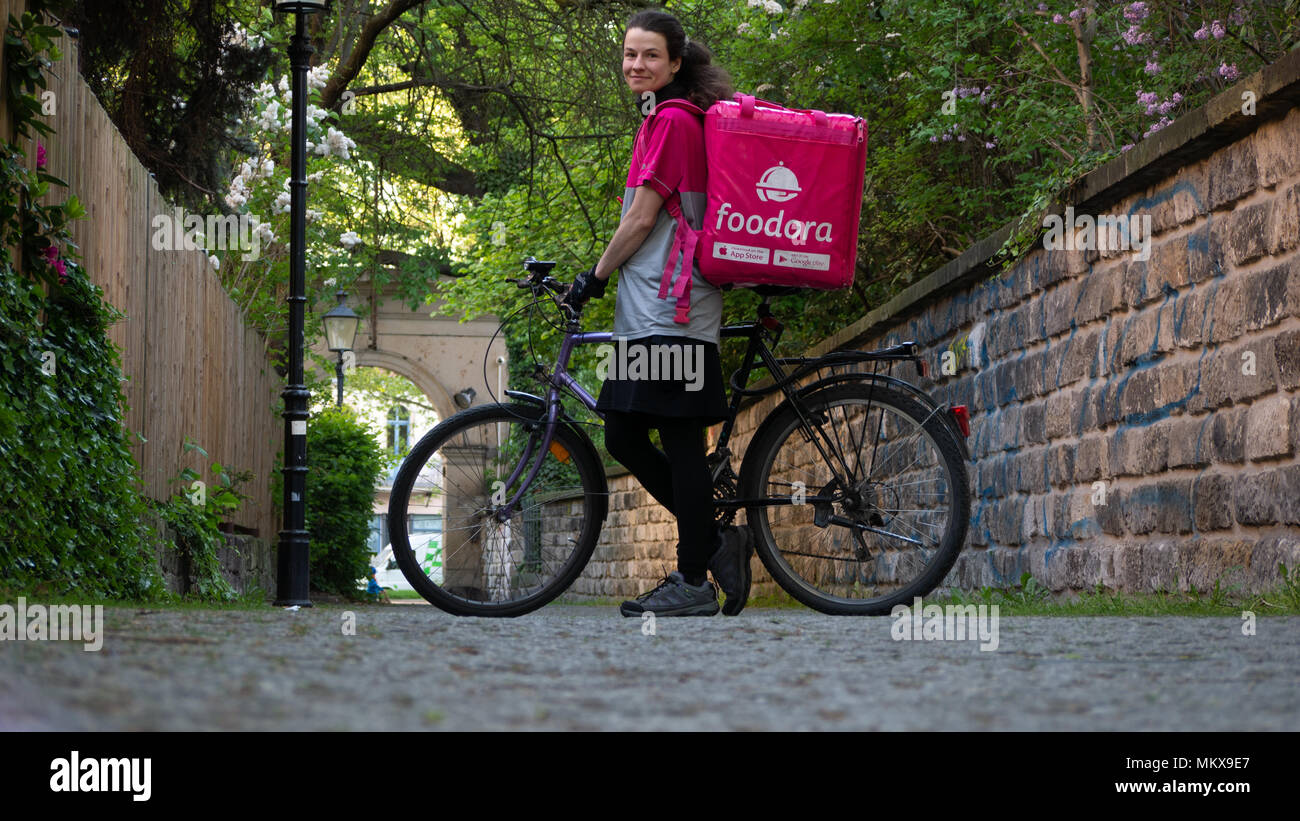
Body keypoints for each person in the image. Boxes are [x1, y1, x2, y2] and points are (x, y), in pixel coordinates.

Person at [564, 8, 752, 617]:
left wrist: (592, 277)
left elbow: (642, 219)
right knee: (623, 431)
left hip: (674, 311)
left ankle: (694, 578)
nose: (636, 65)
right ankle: (714, 542)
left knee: (672, 440)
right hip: (657, 308)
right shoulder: (663, 118)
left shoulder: (673, 121)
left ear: (675, 62)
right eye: (629, 54)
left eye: (649, 56)